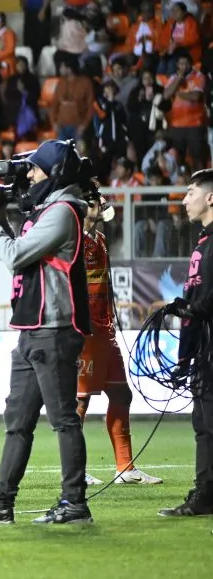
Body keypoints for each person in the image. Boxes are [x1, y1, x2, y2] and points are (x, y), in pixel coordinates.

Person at [0, 139, 93, 525]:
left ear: (55, 173)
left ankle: (75, 503)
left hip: (54, 329)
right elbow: (23, 252)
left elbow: (15, 255)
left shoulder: (62, 211)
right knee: (17, 422)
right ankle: (1, 503)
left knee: (63, 419)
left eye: (36, 169)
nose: (28, 175)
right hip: (33, 329)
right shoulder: (48, 209)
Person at [76, 183, 162, 486]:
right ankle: (75, 470)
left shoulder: (99, 238)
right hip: (84, 333)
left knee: (121, 394)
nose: (102, 205)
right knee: (80, 401)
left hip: (105, 331)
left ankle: (125, 468)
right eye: (97, 202)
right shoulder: (71, 241)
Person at [158, 170, 213, 517]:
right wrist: (185, 356)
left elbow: (204, 302)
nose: (184, 199)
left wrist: (188, 306)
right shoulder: (203, 244)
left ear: (210, 198)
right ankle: (206, 494)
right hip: (203, 351)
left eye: (190, 192)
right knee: (204, 425)